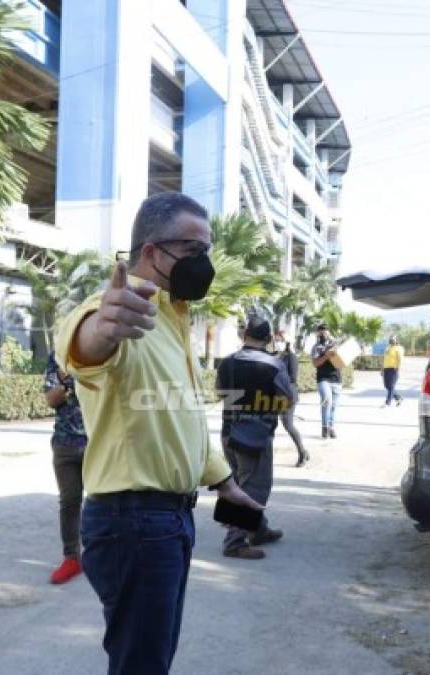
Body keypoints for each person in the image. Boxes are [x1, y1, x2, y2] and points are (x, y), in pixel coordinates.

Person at [54, 192, 263, 675]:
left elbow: (182, 418)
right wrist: (100, 328)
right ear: (151, 252)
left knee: (151, 658)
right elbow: (84, 346)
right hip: (133, 521)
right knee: (141, 665)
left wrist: (225, 483)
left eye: (206, 250)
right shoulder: (115, 311)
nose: (204, 263)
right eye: (193, 251)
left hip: (166, 521)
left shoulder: (173, 319)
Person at [216, 316, 295, 560]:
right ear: (269, 338)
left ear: (244, 335)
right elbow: (288, 399)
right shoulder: (273, 365)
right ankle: (234, 542)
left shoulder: (227, 362)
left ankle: (259, 530)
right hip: (255, 435)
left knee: (239, 484)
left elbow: (220, 392)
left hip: (228, 432)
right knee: (254, 487)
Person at [42, 351, 88, 585]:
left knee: (107, 501)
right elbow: (51, 399)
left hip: (100, 444)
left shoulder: (105, 351)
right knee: (69, 502)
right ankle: (72, 558)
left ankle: (104, 554)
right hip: (65, 444)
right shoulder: (58, 358)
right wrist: (69, 383)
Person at [274, 330, 310, 467]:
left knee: (288, 425)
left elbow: (293, 378)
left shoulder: (291, 357)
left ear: (286, 341)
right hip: (274, 395)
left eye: (280, 340)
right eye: (276, 340)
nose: (277, 343)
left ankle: (302, 453)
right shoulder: (276, 356)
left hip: (287, 395)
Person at [311, 323, 341, 439]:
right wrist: (326, 356)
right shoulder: (316, 347)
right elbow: (315, 363)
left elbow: (342, 362)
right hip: (323, 379)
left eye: (326, 330)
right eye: (321, 330)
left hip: (337, 379)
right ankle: (325, 428)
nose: (324, 332)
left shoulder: (336, 344)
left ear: (329, 331)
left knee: (333, 406)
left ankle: (331, 427)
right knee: (326, 401)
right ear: (318, 333)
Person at [381, 335, 405, 407]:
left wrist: (398, 368)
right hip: (386, 369)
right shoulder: (388, 348)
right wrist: (382, 369)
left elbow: (400, 359)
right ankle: (399, 398)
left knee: (391, 386)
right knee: (387, 386)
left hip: (393, 369)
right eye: (390, 338)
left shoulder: (399, 348)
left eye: (393, 339)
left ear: (397, 340)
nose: (391, 340)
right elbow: (385, 359)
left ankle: (387, 402)